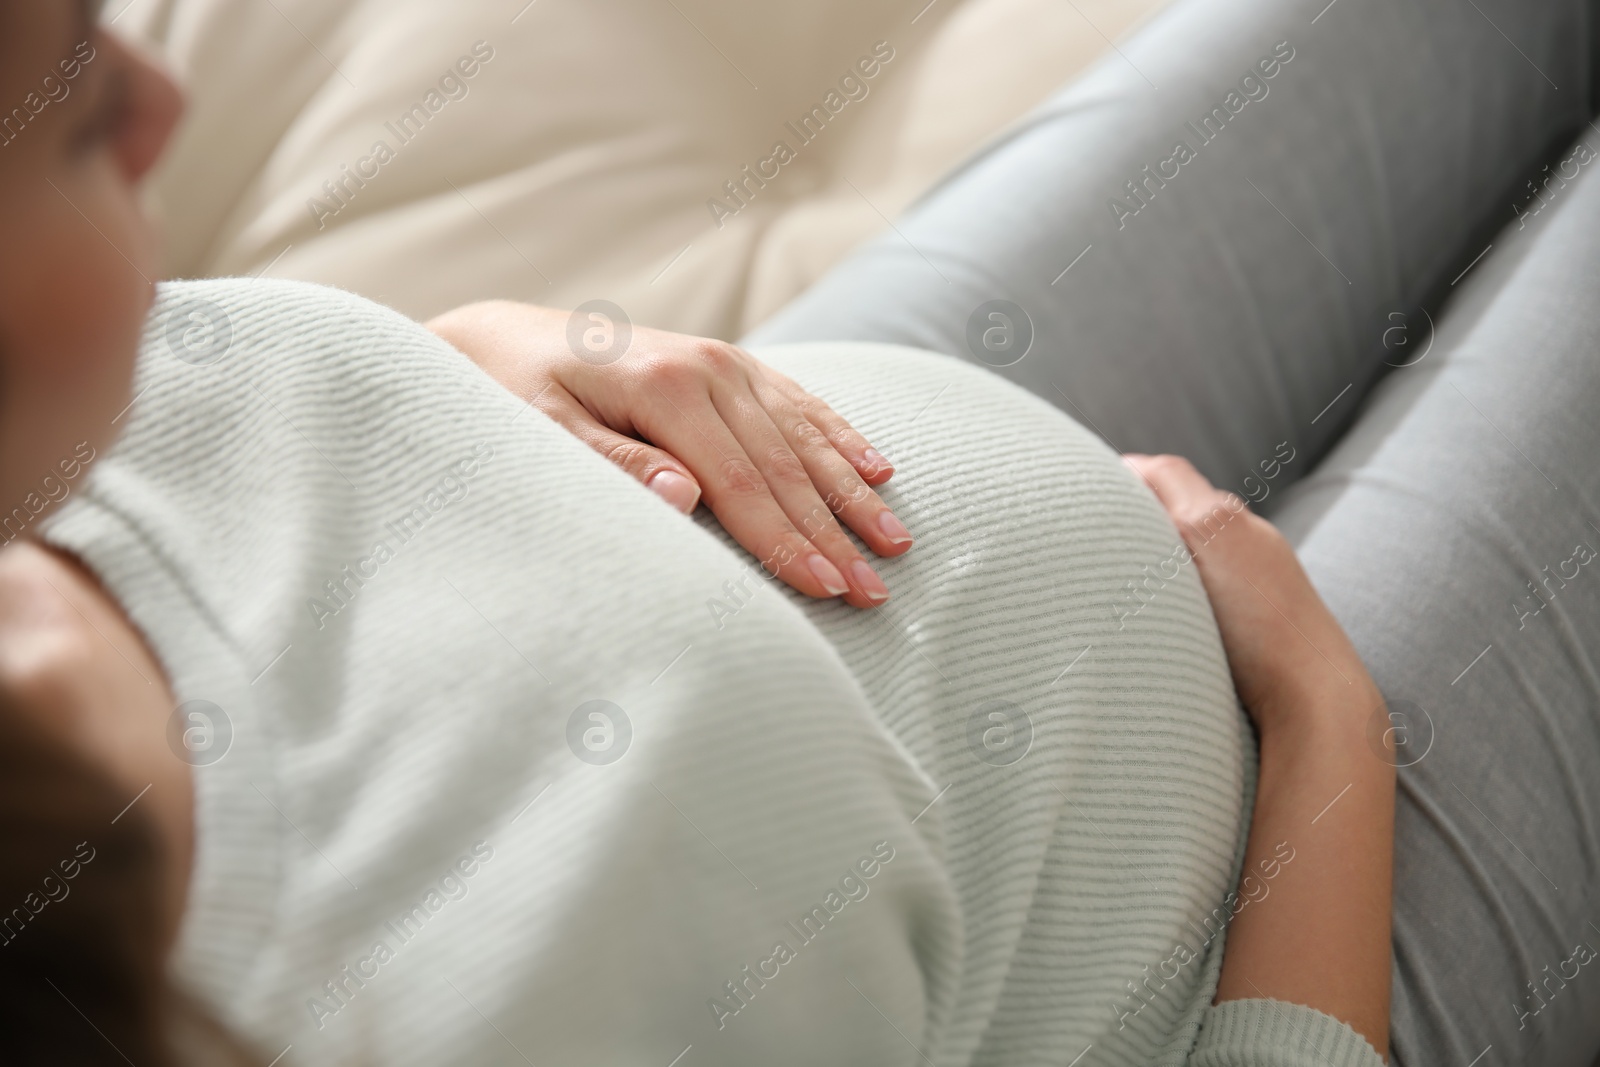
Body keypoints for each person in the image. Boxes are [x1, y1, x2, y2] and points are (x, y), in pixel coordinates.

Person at [4, 0, 1574, 1064]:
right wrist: (1327, 727)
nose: (160, 102)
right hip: (1283, 903)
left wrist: (488, 357)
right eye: (70, 133)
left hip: (836, 427)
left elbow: (272, 414)